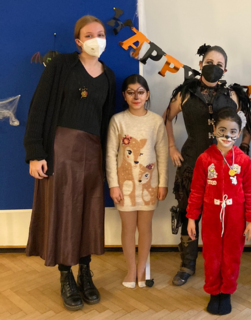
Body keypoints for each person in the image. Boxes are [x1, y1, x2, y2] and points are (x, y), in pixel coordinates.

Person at [23, 15, 116, 310]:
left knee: (88, 213)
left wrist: (106, 161)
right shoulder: (61, 66)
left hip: (93, 152)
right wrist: (35, 152)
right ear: (78, 41)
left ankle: (85, 272)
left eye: (101, 33)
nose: (96, 39)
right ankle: (66, 275)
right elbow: (38, 107)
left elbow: (104, 122)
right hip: (60, 151)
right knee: (63, 212)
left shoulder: (109, 75)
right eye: (89, 35)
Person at [164, 44, 251, 286]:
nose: (213, 66)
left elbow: (247, 124)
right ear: (200, 64)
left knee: (223, 215)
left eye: (218, 63)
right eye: (209, 61)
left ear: (225, 69)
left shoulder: (233, 96)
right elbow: (167, 117)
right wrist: (171, 146)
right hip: (193, 161)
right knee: (188, 213)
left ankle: (221, 265)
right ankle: (187, 264)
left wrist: (243, 149)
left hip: (226, 167)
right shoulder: (184, 93)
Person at [187, 107, 251, 315]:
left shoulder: (243, 160)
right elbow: (196, 191)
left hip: (236, 217)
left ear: (239, 133)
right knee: (212, 256)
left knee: (231, 256)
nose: (227, 136)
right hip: (211, 216)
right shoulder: (204, 158)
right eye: (222, 130)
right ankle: (213, 292)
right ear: (214, 129)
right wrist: (192, 218)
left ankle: (226, 291)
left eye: (233, 132)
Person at [106, 74, 168, 289]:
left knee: (145, 227)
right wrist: (113, 184)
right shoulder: (117, 120)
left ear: (147, 94)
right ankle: (131, 269)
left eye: (140, 92)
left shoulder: (156, 121)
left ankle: (142, 269)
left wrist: (163, 183)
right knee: (128, 228)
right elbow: (111, 155)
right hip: (123, 186)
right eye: (131, 92)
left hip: (149, 185)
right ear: (124, 95)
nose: (136, 96)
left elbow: (161, 154)